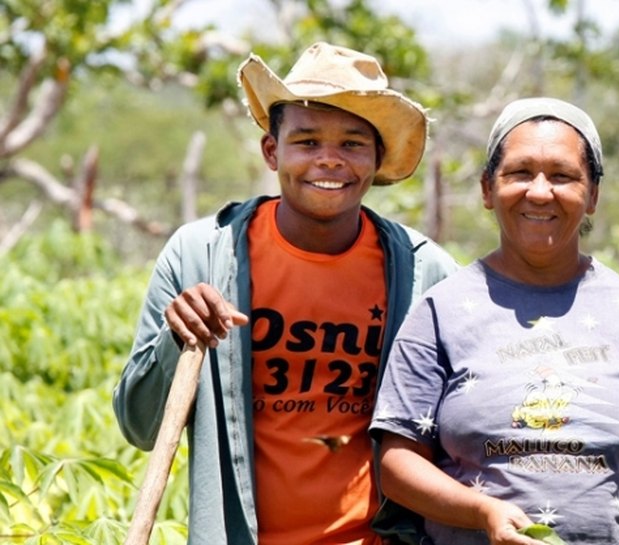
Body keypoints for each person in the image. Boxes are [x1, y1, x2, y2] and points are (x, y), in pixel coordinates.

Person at [112, 42, 457, 545]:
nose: (330, 161)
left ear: (377, 160)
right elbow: (140, 427)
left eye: (353, 144)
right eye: (308, 141)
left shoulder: (425, 271)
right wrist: (175, 337)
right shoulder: (200, 256)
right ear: (272, 151)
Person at [369, 97, 619, 545]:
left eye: (562, 175)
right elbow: (397, 463)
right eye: (518, 172)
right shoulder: (441, 311)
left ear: (592, 195)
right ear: (486, 189)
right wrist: (481, 512)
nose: (539, 190)